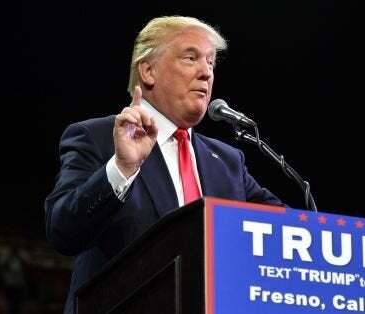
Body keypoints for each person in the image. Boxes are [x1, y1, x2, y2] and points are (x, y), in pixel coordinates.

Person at [44, 15, 283, 314]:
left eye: (210, 62)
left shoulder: (227, 161)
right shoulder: (97, 138)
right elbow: (62, 230)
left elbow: (286, 230)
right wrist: (122, 168)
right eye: (190, 57)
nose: (206, 73)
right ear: (148, 70)